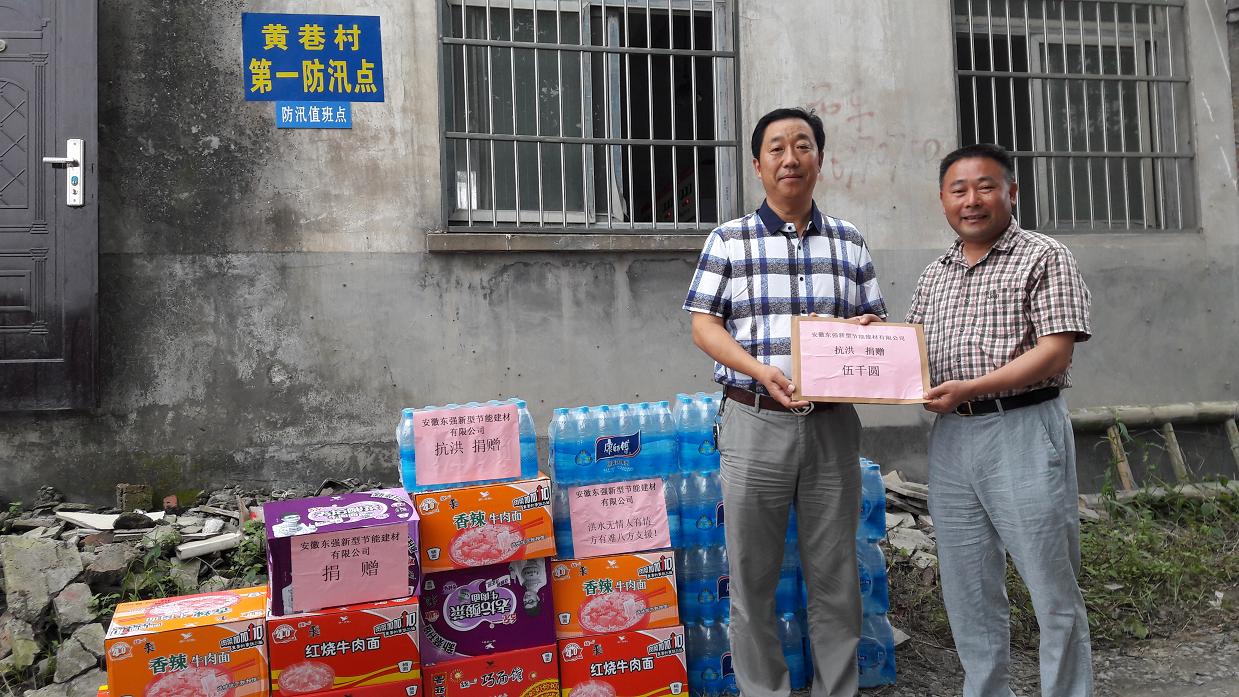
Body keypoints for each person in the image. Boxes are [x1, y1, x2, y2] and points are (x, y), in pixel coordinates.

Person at [683, 106, 886, 697]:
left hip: (832, 426)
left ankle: (836, 688)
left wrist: (869, 331)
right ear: (758, 164)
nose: (790, 158)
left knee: (836, 575)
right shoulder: (729, 240)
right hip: (754, 419)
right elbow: (703, 324)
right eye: (776, 148)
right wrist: (758, 370)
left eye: (803, 145)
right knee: (752, 577)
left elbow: (875, 323)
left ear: (819, 159)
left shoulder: (849, 241)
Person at [907, 143, 1093, 697]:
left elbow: (1055, 352)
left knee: (1051, 587)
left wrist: (973, 387)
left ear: (1011, 192)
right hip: (952, 439)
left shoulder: (1044, 255)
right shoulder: (935, 274)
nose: (972, 200)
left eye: (985, 187)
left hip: (1023, 430)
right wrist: (867, 338)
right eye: (958, 190)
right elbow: (910, 353)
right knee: (968, 587)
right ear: (942, 200)